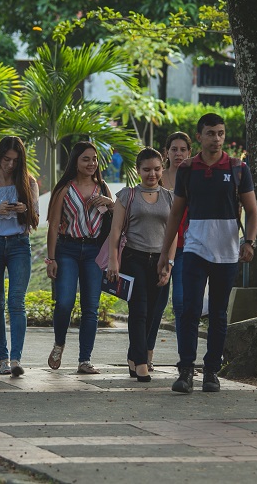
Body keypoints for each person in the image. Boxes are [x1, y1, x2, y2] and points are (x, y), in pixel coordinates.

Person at [157, 113, 257, 393]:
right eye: (211, 133)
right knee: (188, 311)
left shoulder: (238, 168)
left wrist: (249, 241)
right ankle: (186, 370)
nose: (216, 138)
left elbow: (252, 210)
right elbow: (176, 213)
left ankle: (212, 371)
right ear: (199, 136)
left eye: (220, 133)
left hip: (227, 254)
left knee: (217, 313)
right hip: (193, 250)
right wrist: (165, 254)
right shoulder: (189, 169)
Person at [106, 148, 175, 382]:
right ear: (138, 170)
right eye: (146, 169)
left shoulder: (169, 197)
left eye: (156, 169)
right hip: (133, 258)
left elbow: (172, 234)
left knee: (155, 312)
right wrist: (113, 260)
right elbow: (116, 230)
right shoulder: (127, 195)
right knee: (139, 310)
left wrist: (169, 263)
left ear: (162, 168)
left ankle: (133, 357)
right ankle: (142, 362)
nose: (152, 174)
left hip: (160, 259)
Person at [45, 141, 114, 374]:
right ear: (75, 161)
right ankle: (59, 343)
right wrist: (51, 258)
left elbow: (117, 221)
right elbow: (53, 225)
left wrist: (111, 204)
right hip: (67, 250)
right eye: (86, 158)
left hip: (95, 252)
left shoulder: (103, 188)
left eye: (94, 159)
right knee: (65, 302)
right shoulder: (65, 188)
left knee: (91, 308)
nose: (91, 163)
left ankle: (85, 360)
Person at [0, 137, 40, 376]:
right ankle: (2, 358)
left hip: (19, 244)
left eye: (15, 160)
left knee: (17, 302)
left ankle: (16, 359)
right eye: (6, 159)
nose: (10, 165)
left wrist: (25, 209)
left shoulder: (28, 182)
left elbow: (35, 221)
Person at [153, 131, 192, 368]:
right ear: (166, 151)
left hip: (187, 249)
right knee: (156, 302)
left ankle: (184, 359)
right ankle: (144, 354)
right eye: (174, 149)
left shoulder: (194, 177)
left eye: (183, 150)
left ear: (190, 152)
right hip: (158, 247)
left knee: (181, 303)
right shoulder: (157, 177)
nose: (179, 154)